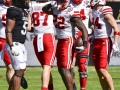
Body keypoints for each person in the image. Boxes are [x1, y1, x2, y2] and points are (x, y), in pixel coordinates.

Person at [42, 0, 88, 90]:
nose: (58, 4)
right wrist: (50, 3)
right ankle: (72, 87)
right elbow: (44, 9)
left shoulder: (71, 11)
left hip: (68, 40)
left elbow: (83, 28)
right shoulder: (55, 9)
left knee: (64, 68)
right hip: (60, 40)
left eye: (60, 2)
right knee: (61, 68)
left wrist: (85, 43)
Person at [91, 0, 119, 90]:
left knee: (103, 69)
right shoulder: (94, 11)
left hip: (105, 41)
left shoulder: (105, 10)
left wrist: (115, 43)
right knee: (99, 70)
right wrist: (92, 35)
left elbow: (116, 27)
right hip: (97, 41)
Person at [29, 0, 56, 90]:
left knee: (45, 68)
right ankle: (44, 88)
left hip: (37, 38)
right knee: (47, 67)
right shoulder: (52, 4)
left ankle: (50, 88)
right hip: (48, 37)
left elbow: (29, 28)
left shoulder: (32, 5)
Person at [5, 0, 30, 90]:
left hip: (21, 44)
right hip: (15, 44)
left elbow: (29, 28)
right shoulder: (13, 10)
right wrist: (11, 46)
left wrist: (29, 15)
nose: (28, 1)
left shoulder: (22, 11)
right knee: (18, 72)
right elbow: (8, 30)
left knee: (20, 72)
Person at [71, 0, 92, 90]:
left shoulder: (89, 2)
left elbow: (96, 15)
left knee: (83, 65)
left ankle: (83, 88)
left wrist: (91, 28)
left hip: (83, 37)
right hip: (71, 37)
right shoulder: (67, 3)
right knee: (70, 66)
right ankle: (72, 85)